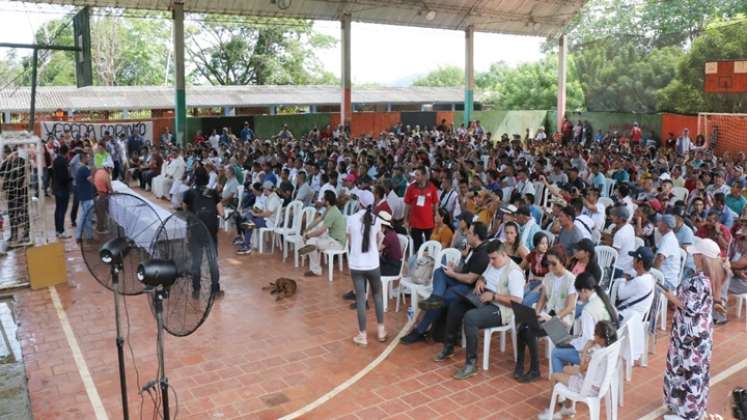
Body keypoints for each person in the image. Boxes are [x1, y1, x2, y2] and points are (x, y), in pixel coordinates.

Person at [434, 240, 525, 380]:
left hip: (501, 309)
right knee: (456, 304)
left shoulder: (514, 272)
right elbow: (484, 275)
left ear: (504, 254)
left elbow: (518, 301)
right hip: (484, 298)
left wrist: (494, 296)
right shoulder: (493, 263)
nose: (491, 262)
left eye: (494, 258)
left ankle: (471, 364)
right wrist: (481, 280)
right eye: (490, 258)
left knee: (471, 318)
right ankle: (449, 346)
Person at [400, 222, 490, 344]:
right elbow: (466, 270)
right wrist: (455, 268)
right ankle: (435, 297)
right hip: (462, 282)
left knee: (442, 298)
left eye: (470, 233)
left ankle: (419, 331)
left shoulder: (483, 254)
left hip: (470, 290)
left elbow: (470, 279)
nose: (467, 235)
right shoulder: (474, 249)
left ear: (476, 236)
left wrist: (453, 274)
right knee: (439, 271)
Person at [662, 238, 718, 420]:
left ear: (701, 257)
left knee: (685, 369)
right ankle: (694, 408)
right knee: (697, 371)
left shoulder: (698, 282)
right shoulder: (713, 276)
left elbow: (689, 306)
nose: (693, 256)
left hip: (689, 335)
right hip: (701, 332)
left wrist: (671, 296)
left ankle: (685, 410)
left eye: (695, 254)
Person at [515, 248, 577, 383]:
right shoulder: (548, 277)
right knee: (522, 326)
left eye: (554, 263)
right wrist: (536, 313)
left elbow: (570, 306)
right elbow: (543, 298)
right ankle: (519, 365)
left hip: (562, 321)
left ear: (563, 262)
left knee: (530, 331)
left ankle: (535, 369)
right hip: (548, 315)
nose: (550, 267)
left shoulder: (571, 279)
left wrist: (555, 318)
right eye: (548, 263)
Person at [538, 320, 618, 420]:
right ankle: (568, 407)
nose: (594, 336)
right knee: (565, 368)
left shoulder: (597, 355)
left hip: (588, 387)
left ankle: (550, 412)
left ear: (601, 339)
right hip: (598, 382)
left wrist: (585, 349)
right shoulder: (610, 348)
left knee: (554, 376)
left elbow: (581, 368)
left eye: (595, 334)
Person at [549, 272, 618, 376]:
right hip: (608, 350)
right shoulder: (604, 298)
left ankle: (559, 383)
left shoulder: (588, 310)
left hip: (594, 355)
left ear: (583, 291)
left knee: (556, 352)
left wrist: (572, 342)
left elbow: (589, 340)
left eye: (578, 294)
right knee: (568, 343)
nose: (579, 298)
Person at [347, 196, 386, 346]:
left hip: (357, 264)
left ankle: (362, 335)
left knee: (361, 299)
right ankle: (381, 330)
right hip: (373, 263)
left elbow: (350, 242)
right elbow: (377, 241)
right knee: (377, 295)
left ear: (360, 203)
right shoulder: (376, 219)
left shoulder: (351, 219)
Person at [183, 165, 225, 298]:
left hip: (195, 230)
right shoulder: (213, 193)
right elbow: (222, 213)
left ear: (194, 179)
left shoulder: (188, 193)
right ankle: (215, 290)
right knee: (212, 259)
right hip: (210, 231)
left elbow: (185, 212)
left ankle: (196, 290)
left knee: (196, 260)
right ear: (207, 179)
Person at [298, 190, 348, 277]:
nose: (321, 200)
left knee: (311, 242)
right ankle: (305, 252)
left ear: (327, 202)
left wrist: (307, 235)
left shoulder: (332, 212)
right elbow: (319, 219)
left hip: (337, 243)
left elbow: (321, 231)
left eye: (323, 198)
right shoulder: (330, 209)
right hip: (331, 238)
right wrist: (307, 228)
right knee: (311, 240)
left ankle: (315, 269)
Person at [236, 181, 282, 255]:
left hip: (270, 222)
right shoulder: (269, 197)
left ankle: (247, 246)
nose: (263, 191)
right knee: (248, 218)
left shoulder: (274, 199)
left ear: (267, 189)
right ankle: (247, 243)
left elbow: (268, 213)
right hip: (267, 219)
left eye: (263, 189)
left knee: (249, 224)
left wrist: (256, 214)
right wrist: (254, 211)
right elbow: (264, 210)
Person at [404, 166, 438, 253]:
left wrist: (436, 214)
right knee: (417, 248)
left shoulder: (432, 187)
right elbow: (407, 205)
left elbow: (435, 202)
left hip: (429, 223)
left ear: (423, 176)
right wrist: (405, 220)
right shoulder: (411, 188)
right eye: (415, 175)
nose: (415, 177)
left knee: (430, 247)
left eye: (417, 175)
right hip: (415, 223)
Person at [617, 247, 656, 321]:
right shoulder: (650, 279)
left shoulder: (639, 281)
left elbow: (620, 294)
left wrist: (623, 278)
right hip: (635, 319)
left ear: (640, 263)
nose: (632, 261)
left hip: (624, 317)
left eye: (634, 259)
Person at [520, 232, 551, 306]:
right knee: (518, 297)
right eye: (542, 243)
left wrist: (537, 288)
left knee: (525, 302)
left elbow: (551, 278)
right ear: (536, 244)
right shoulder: (532, 255)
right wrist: (523, 280)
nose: (545, 246)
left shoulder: (550, 257)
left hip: (544, 286)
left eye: (546, 243)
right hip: (532, 283)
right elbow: (519, 268)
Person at [655, 214, 683, 290]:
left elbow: (660, 259)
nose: (657, 224)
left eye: (659, 222)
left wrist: (653, 274)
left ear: (664, 225)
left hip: (667, 282)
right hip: (664, 278)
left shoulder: (669, 239)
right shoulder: (667, 236)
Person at [51, 144, 73, 239]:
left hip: (56, 188)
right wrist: (71, 178)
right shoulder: (63, 162)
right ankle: (61, 231)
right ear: (67, 152)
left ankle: (57, 230)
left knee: (58, 209)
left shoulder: (56, 160)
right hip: (63, 189)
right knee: (62, 210)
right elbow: (64, 177)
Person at [74, 152, 95, 242]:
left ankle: (79, 236)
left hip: (83, 196)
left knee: (83, 217)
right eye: (87, 157)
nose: (88, 159)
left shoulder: (78, 168)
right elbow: (91, 180)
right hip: (87, 197)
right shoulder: (84, 169)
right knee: (87, 218)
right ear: (83, 159)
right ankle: (89, 237)